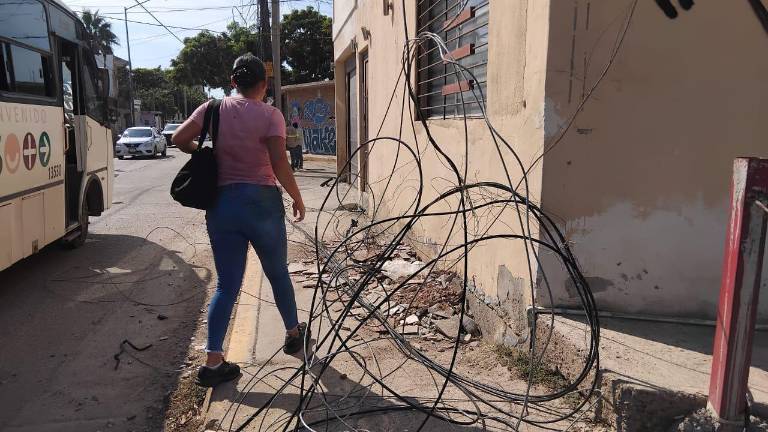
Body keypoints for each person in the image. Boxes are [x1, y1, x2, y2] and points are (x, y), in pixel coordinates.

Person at [172, 53, 309, 388]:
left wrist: (206, 152)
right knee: (276, 273)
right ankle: (293, 335)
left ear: (233, 82)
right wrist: (297, 196)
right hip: (262, 204)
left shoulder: (212, 109)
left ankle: (213, 362)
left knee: (226, 285)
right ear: (263, 85)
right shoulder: (271, 115)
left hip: (222, 204)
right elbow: (279, 162)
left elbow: (178, 139)